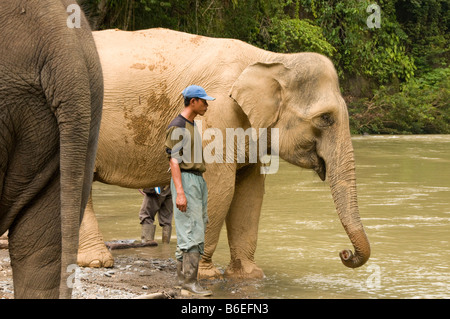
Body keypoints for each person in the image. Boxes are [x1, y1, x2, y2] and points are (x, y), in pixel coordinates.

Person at [164, 85, 214, 296]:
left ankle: (182, 279)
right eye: (203, 101)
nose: (206, 105)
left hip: (196, 180)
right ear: (192, 101)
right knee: (192, 230)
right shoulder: (178, 126)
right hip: (186, 180)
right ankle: (189, 283)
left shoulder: (192, 125)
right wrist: (181, 192)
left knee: (193, 227)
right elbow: (174, 160)